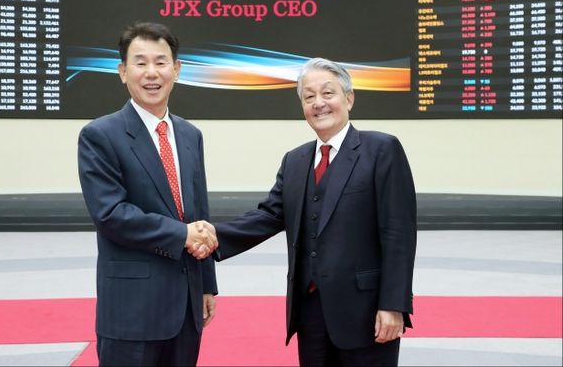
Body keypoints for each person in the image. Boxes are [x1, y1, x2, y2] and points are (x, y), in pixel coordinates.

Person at [207, 57, 417, 366]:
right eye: (309, 96)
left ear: (349, 98)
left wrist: (393, 305)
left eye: (328, 93)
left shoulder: (381, 150)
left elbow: (398, 233)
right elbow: (268, 216)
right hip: (309, 313)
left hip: (366, 311)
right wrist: (211, 236)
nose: (319, 103)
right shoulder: (295, 160)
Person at [78, 21, 218, 367]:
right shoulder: (100, 135)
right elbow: (111, 215)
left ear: (177, 69)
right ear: (123, 72)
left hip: (186, 306)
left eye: (161, 62)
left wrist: (206, 284)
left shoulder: (190, 135)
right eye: (140, 63)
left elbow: (199, 213)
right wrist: (182, 234)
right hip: (132, 310)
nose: (151, 73)